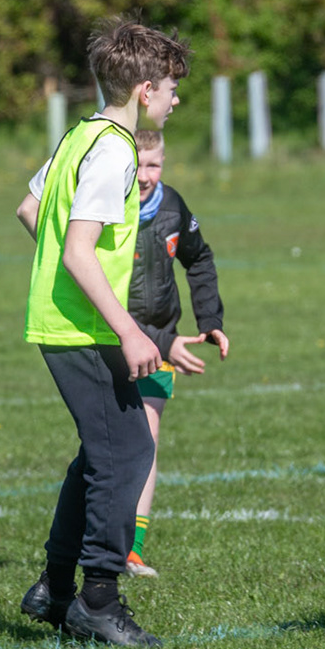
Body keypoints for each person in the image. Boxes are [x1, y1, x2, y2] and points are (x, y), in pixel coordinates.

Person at [14, 18, 190, 647]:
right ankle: (97, 599)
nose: (175, 100)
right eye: (171, 88)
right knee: (128, 453)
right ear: (145, 90)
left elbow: (30, 208)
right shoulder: (116, 151)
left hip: (69, 320)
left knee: (102, 452)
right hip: (82, 328)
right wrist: (130, 331)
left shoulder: (80, 135)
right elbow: (78, 251)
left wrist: (62, 274)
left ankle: (56, 589)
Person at [123, 128, 229, 578]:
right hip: (112, 339)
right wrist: (164, 342)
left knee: (145, 439)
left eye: (153, 165)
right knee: (111, 445)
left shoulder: (171, 206)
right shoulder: (106, 212)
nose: (145, 176)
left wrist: (210, 321)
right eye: (136, 166)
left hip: (159, 339)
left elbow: (199, 258)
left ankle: (131, 550)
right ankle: (97, 543)